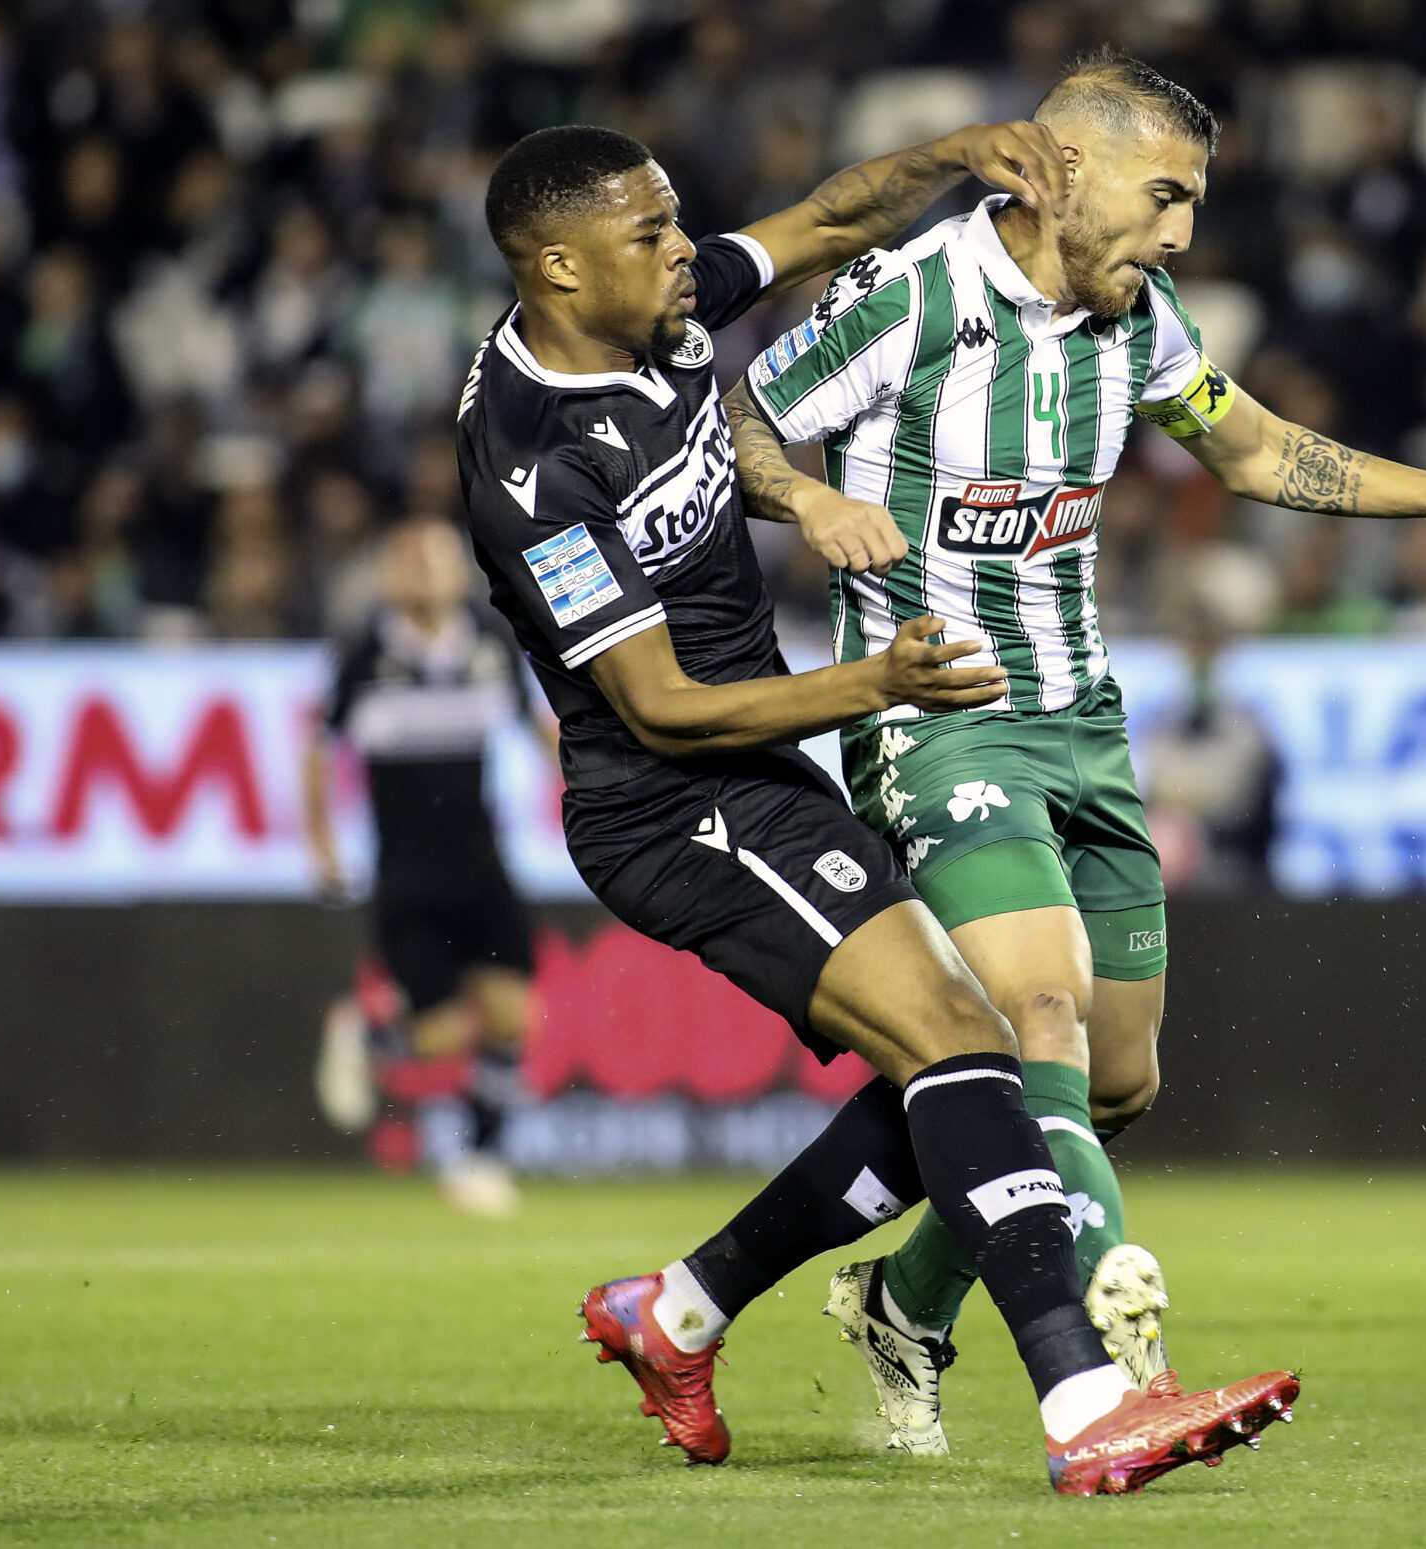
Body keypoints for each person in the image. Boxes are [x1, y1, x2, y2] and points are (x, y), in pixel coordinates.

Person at [726, 46, 1426, 1453]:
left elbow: (1256, 452)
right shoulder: (912, 294)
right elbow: (741, 418)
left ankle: (906, 1301)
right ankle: (1108, 1365)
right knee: (1039, 1015)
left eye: (1193, 202)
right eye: (1166, 196)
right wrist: (807, 502)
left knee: (1114, 1084)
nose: (1184, 232)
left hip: (1085, 725)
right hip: (938, 716)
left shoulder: (1139, 316)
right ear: (1065, 171)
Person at [456, 120, 1298, 1494]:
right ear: (558, 266)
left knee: (955, 1068)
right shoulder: (530, 460)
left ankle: (680, 1311)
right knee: (965, 1042)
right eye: (651, 234)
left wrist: (964, 151)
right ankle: (1085, 1400)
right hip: (671, 803)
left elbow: (833, 218)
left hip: (752, 777)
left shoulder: (654, 308)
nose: (685, 253)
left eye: (676, 222)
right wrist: (874, 683)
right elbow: (657, 707)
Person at [306, 515, 554, 1216]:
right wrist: (322, 840)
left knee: (513, 1013)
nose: (422, 573)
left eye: (435, 560)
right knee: (441, 1033)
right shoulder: (365, 653)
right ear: (387, 578)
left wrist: (581, 787)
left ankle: (480, 1160)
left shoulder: (488, 640)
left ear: (456, 573)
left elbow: (532, 725)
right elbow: (317, 748)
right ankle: (369, 1033)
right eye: (408, 562)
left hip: (481, 863)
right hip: (407, 872)